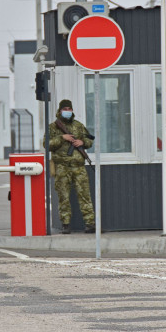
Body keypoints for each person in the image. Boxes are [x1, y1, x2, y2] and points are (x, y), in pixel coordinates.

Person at [48, 99, 95, 234]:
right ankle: (66, 224)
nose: (67, 111)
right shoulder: (53, 127)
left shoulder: (78, 125)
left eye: (69, 109)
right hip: (62, 166)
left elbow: (89, 140)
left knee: (85, 195)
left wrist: (82, 142)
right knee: (63, 196)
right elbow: (47, 144)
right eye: (65, 109)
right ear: (60, 110)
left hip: (78, 166)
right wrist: (62, 138)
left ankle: (90, 223)